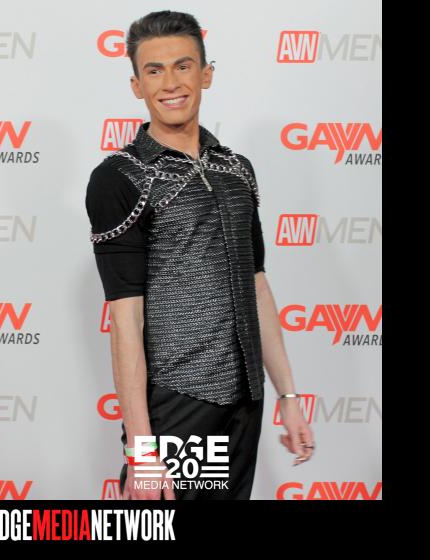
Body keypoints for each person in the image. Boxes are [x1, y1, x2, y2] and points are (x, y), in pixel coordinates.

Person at [85, 10, 315, 500]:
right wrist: (142, 450)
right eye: (154, 70)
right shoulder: (119, 178)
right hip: (180, 399)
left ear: (206, 74)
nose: (170, 83)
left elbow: (256, 286)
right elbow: (125, 319)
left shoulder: (236, 169)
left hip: (246, 399)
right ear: (136, 85)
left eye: (183, 66)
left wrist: (288, 396)